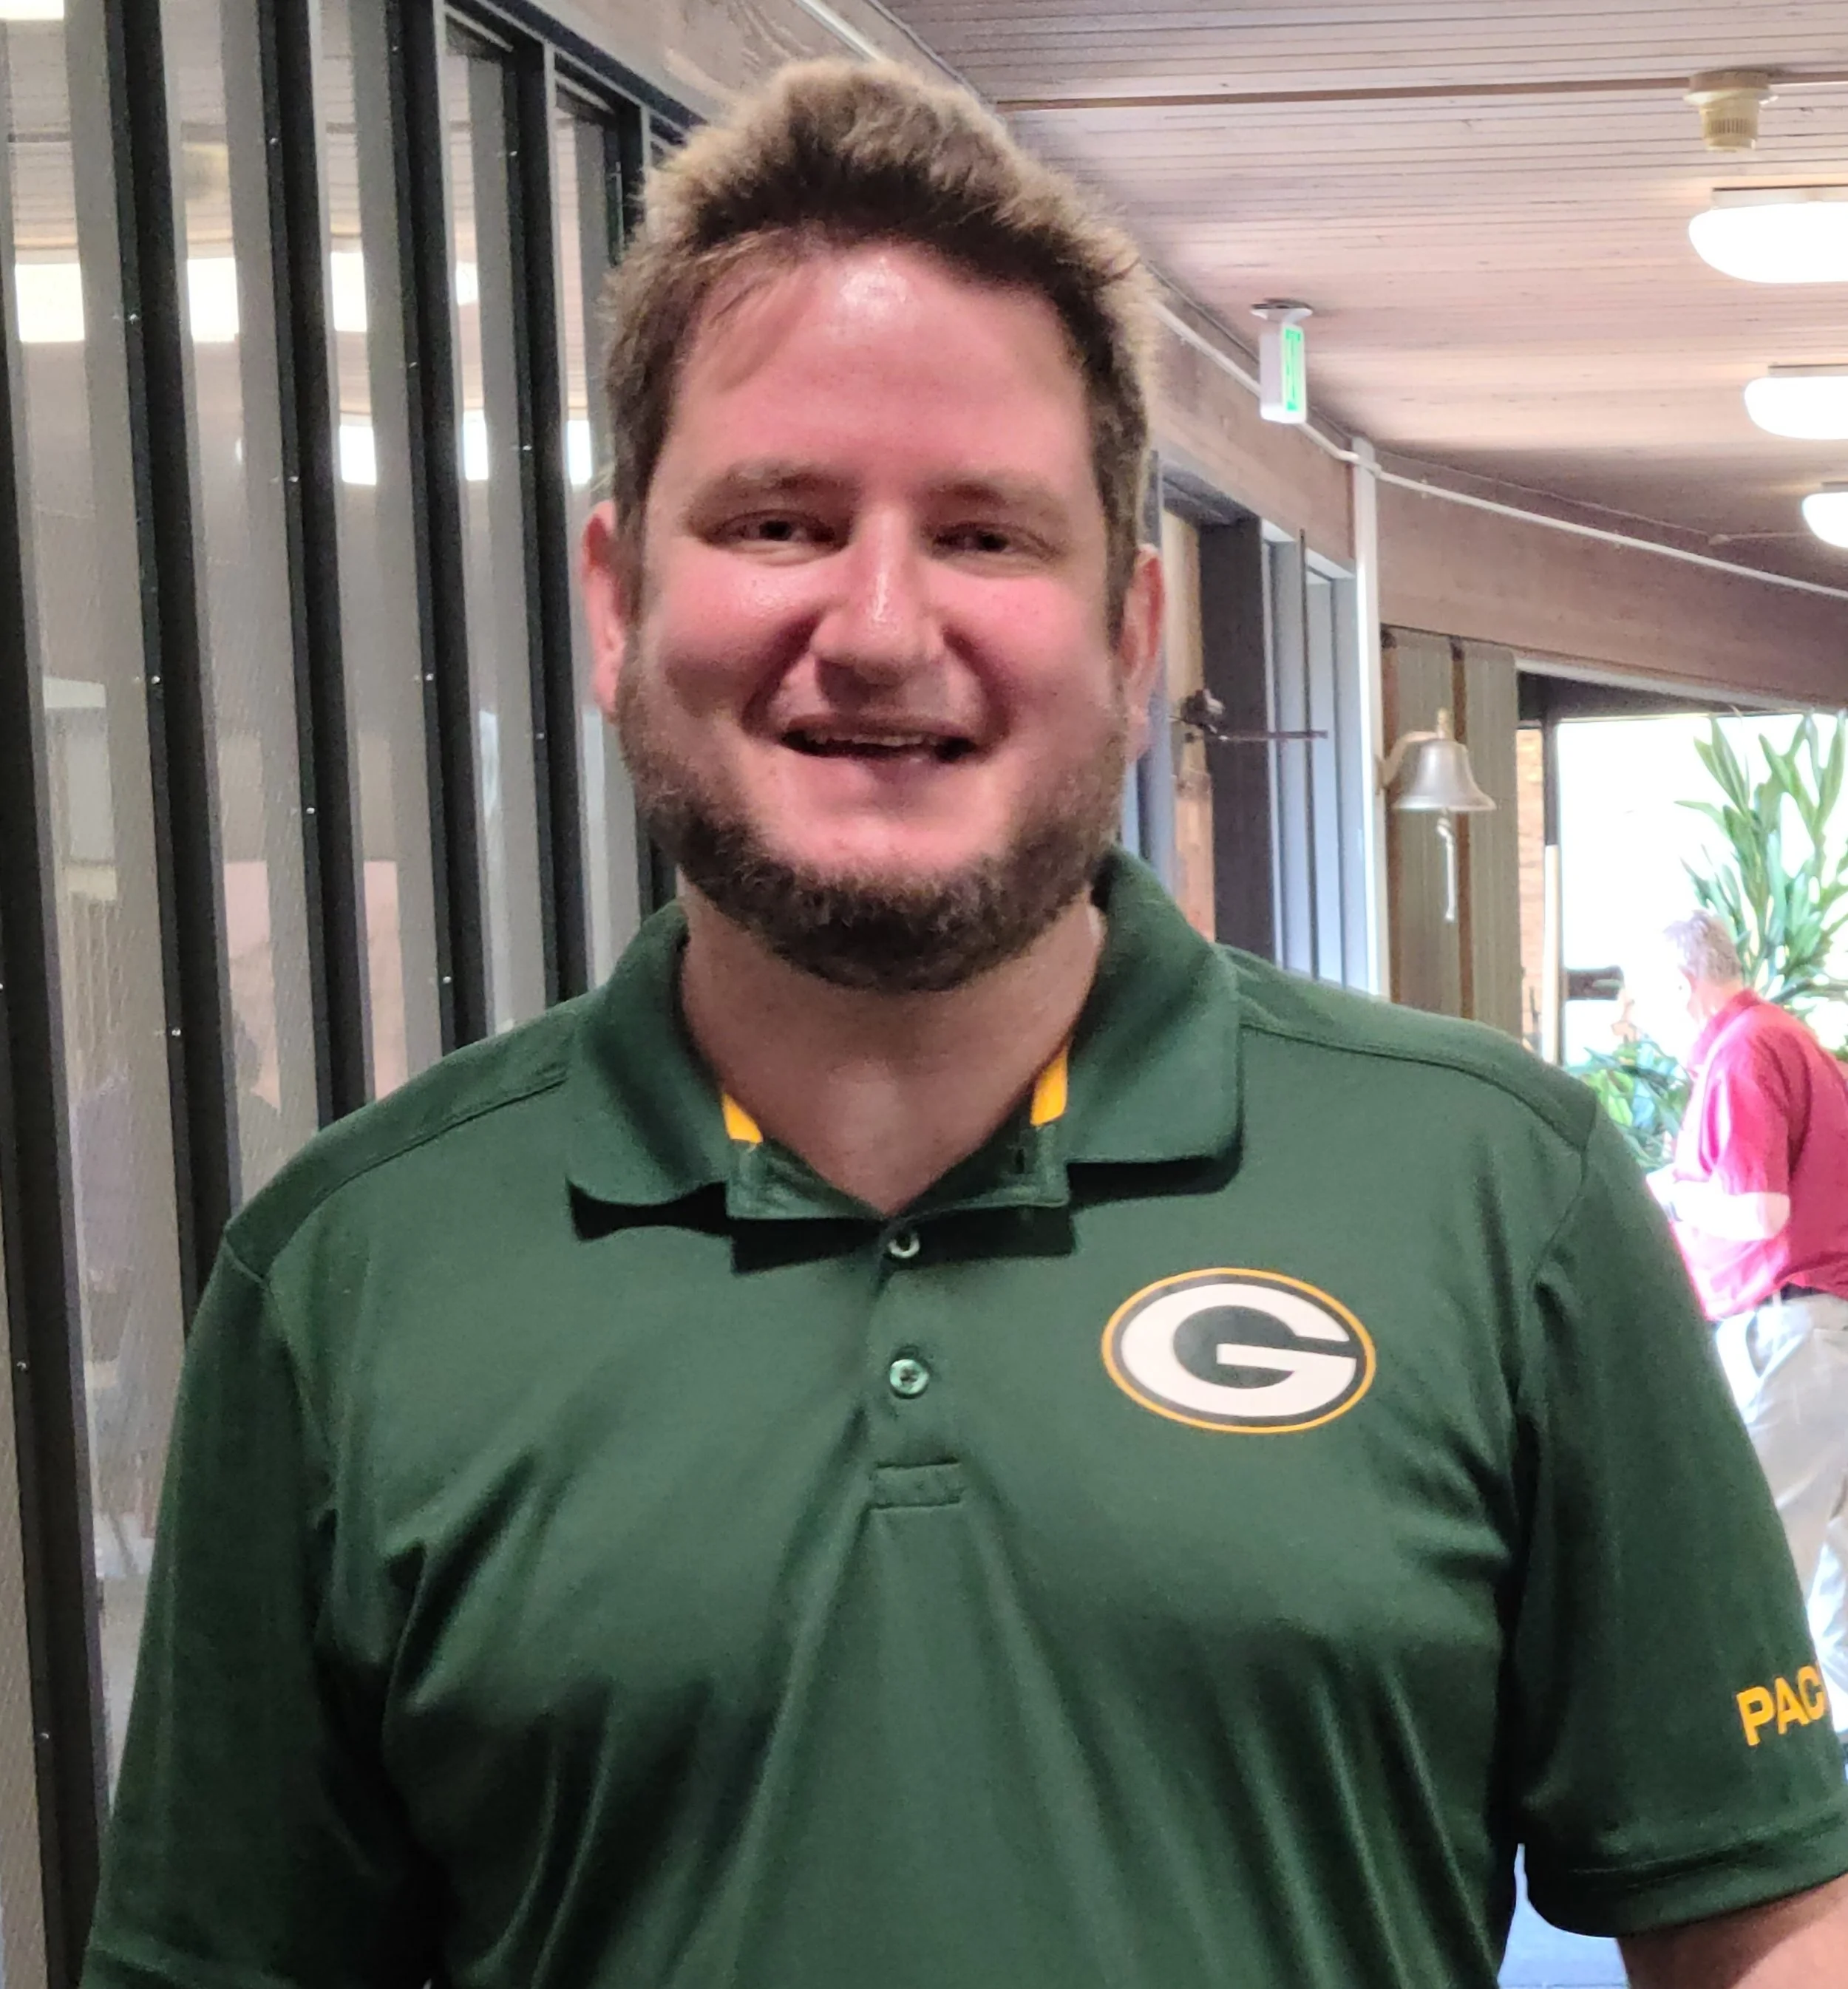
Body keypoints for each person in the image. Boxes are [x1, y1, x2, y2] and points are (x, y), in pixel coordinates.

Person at [84, 61, 1848, 1989]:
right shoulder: (349, 1280)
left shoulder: (1493, 1197)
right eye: (775, 518)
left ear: (1128, 627)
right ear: (612, 599)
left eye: (988, 534)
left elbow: (1761, 1920)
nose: (877, 624)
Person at [1639, 909, 1848, 1758]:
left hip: (1787, 1329)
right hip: (1825, 1326)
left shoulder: (1740, 1054)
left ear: (1680, 987)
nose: (1634, 1015)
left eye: (1639, 993)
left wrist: (1663, 1189)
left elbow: (1758, 1214)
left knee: (1753, 1564)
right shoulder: (1786, 1038)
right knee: (1833, 1578)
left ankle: (1730, 1781)